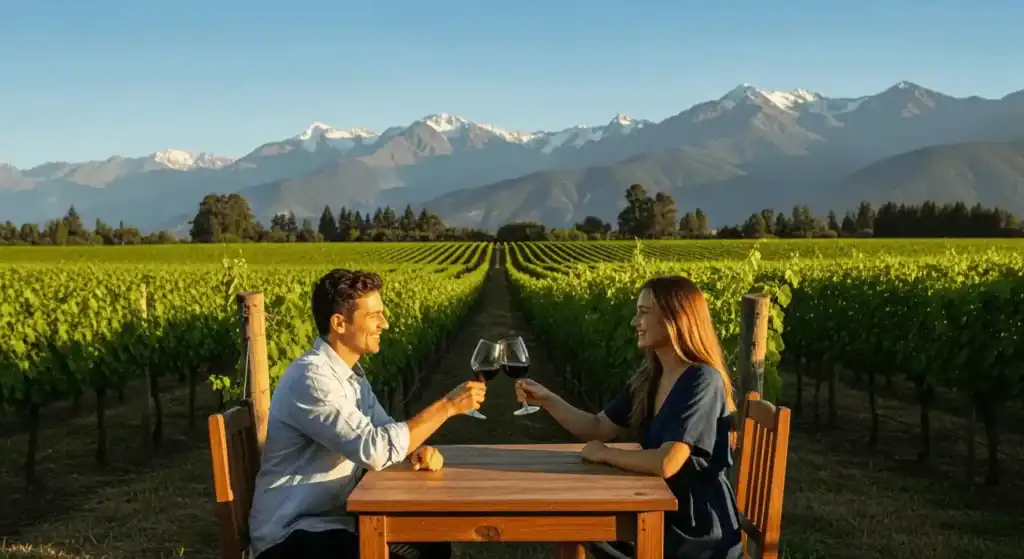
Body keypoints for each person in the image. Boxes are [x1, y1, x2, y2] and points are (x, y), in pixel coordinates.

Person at [249, 268, 486, 559]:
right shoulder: (313, 380)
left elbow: (385, 433)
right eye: (373, 316)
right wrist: (448, 406)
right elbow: (375, 450)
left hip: (332, 522)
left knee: (433, 541)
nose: (384, 324)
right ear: (339, 323)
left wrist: (414, 451)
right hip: (292, 534)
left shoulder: (351, 378)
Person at [516, 275, 743, 559]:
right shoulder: (651, 377)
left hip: (695, 529)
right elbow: (597, 427)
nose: (635, 322)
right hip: (659, 507)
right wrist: (548, 399)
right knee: (575, 526)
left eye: (644, 313)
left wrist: (606, 454)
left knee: (580, 527)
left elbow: (666, 462)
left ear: (676, 318)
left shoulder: (701, 379)